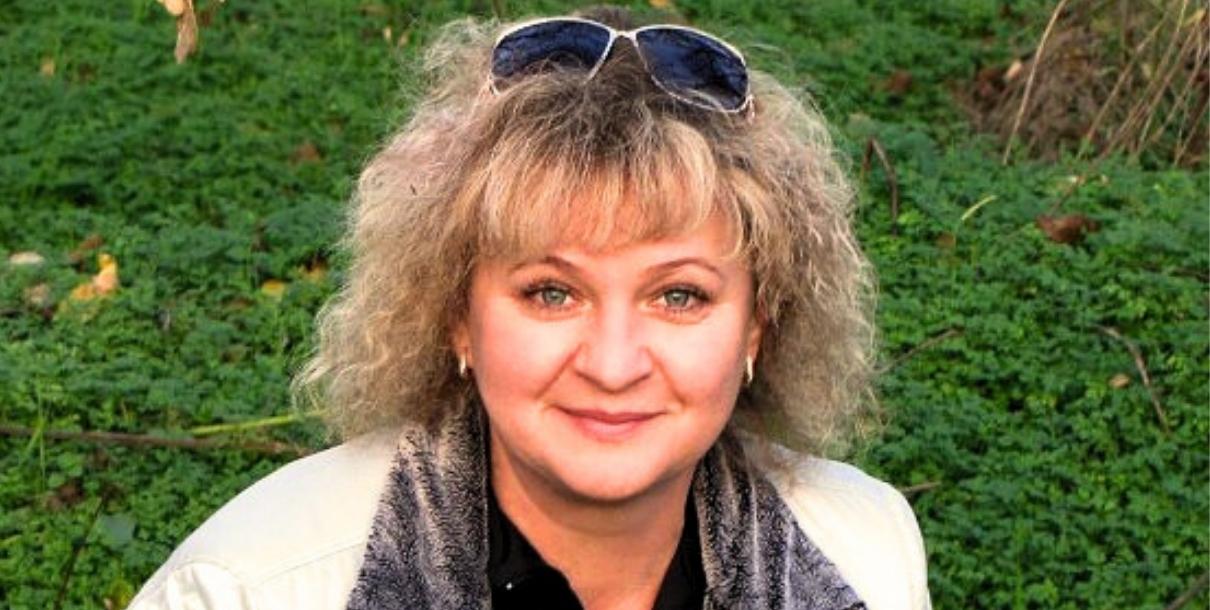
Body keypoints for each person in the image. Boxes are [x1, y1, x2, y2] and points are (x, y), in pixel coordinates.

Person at [130, 6, 931, 610]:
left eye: (678, 295)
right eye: (552, 292)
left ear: (756, 326)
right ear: (457, 314)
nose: (612, 365)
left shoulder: (868, 552)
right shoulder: (246, 588)